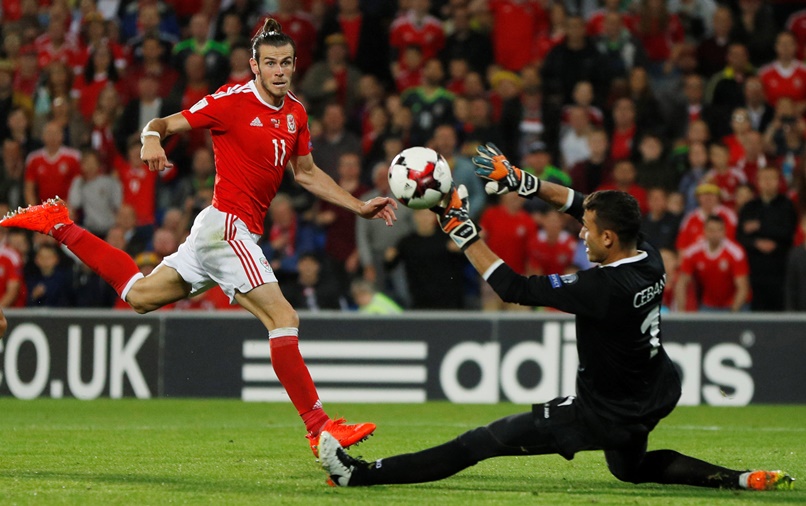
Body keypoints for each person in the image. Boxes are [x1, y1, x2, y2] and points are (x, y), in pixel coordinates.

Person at [1, 17, 397, 457]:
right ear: (254, 66)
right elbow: (161, 123)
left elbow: (304, 173)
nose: (280, 71)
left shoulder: (296, 113)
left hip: (219, 231)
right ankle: (321, 428)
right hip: (228, 226)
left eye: (286, 62)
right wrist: (151, 141)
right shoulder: (230, 102)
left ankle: (58, 223)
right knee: (283, 319)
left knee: (139, 296)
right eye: (271, 64)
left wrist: (358, 205)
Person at [318, 142, 793, 492]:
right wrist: (524, 182)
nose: (580, 234)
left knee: (481, 441)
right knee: (629, 468)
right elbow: (583, 204)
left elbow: (513, 288)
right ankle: (741, 480)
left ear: (608, 239)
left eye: (587, 231)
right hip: (655, 392)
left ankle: (360, 475)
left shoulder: (601, 288)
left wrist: (465, 234)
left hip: (600, 414)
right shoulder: (646, 254)